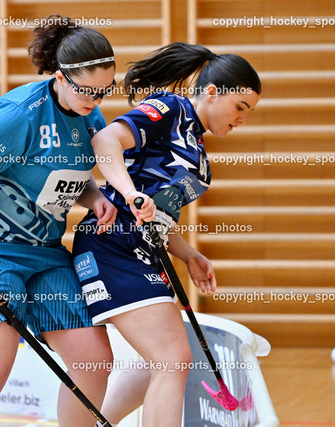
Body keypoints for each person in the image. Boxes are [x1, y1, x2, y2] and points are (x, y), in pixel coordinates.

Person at [0, 16, 118, 427]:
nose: (95, 99)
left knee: (93, 361)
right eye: (87, 89)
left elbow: (69, 178)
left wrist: (95, 198)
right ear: (61, 77)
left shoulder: (90, 117)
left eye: (104, 90)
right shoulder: (21, 113)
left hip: (47, 253)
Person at [72, 42, 261, 427]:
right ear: (212, 92)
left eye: (249, 112)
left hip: (143, 252)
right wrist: (130, 193)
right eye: (240, 106)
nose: (242, 119)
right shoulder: (171, 108)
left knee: (160, 361)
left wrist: (189, 254)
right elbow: (105, 141)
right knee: (172, 358)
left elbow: (156, 220)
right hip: (111, 244)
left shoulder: (200, 159)